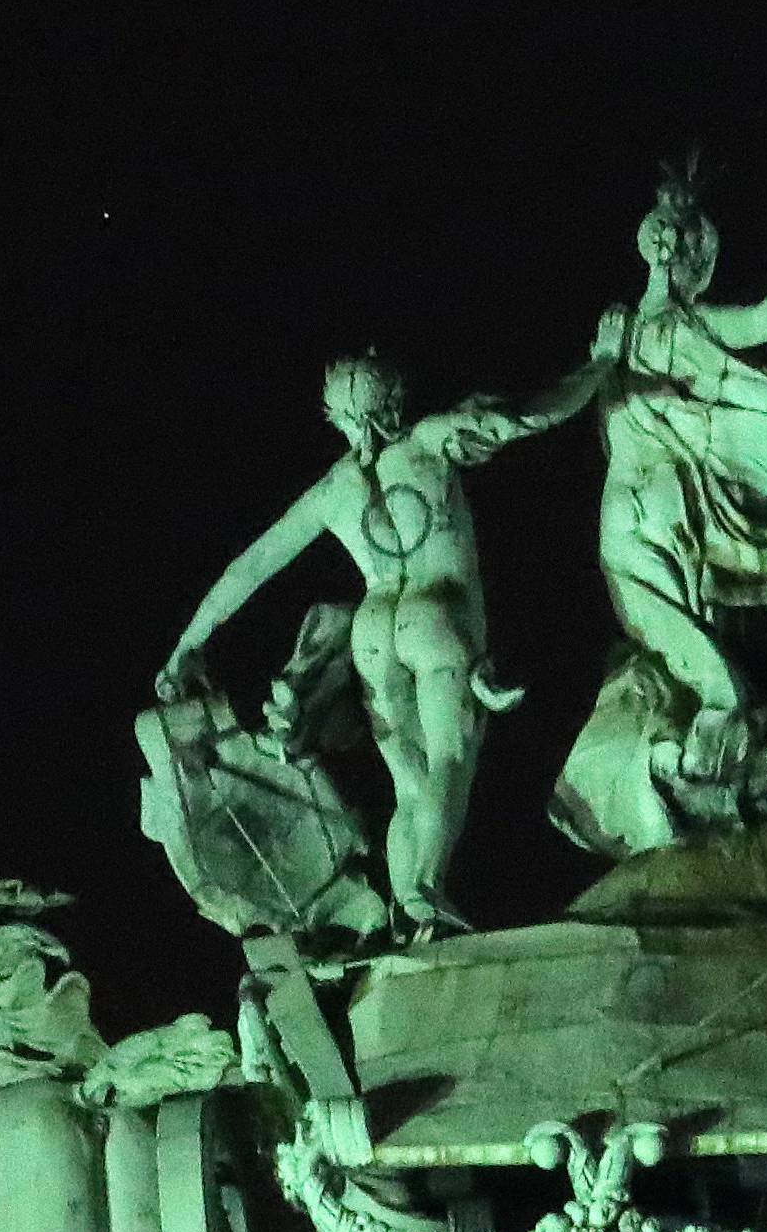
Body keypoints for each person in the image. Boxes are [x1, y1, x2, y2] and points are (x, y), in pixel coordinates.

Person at [515, 174, 767, 830]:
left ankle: (697, 779)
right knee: (716, 679)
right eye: (704, 260)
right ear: (695, 261)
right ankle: (698, 782)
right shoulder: (666, 329)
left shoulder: (619, 335)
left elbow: (765, 320)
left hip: (650, 520)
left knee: (700, 662)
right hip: (668, 522)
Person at [157, 353, 522, 934]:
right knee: (449, 761)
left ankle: (410, 907)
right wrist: (599, 367)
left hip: (374, 630)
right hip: (437, 619)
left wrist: (185, 644)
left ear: (336, 417)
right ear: (395, 398)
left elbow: (249, 569)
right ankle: (426, 885)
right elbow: (524, 419)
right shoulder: (430, 442)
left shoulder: (333, 490)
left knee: (408, 785)